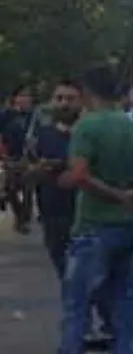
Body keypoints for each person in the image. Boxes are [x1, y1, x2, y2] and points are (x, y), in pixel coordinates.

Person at [35, 66, 133, 354]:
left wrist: (59, 177)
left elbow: (81, 175)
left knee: (78, 303)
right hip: (130, 225)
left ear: (87, 92)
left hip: (95, 225)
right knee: (123, 302)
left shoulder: (87, 127)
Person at [28, 81, 83, 277]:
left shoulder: (87, 134)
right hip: (53, 213)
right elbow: (29, 169)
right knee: (64, 270)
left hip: (84, 214)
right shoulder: (42, 135)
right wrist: (39, 169)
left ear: (81, 102)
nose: (64, 104)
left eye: (70, 99)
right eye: (59, 98)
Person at [3, 86, 36, 233]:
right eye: (21, 95)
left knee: (28, 188)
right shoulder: (6, 115)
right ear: (15, 98)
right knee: (11, 189)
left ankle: (24, 218)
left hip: (29, 158)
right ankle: (19, 215)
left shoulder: (34, 117)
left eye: (28, 96)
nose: (25, 99)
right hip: (10, 156)